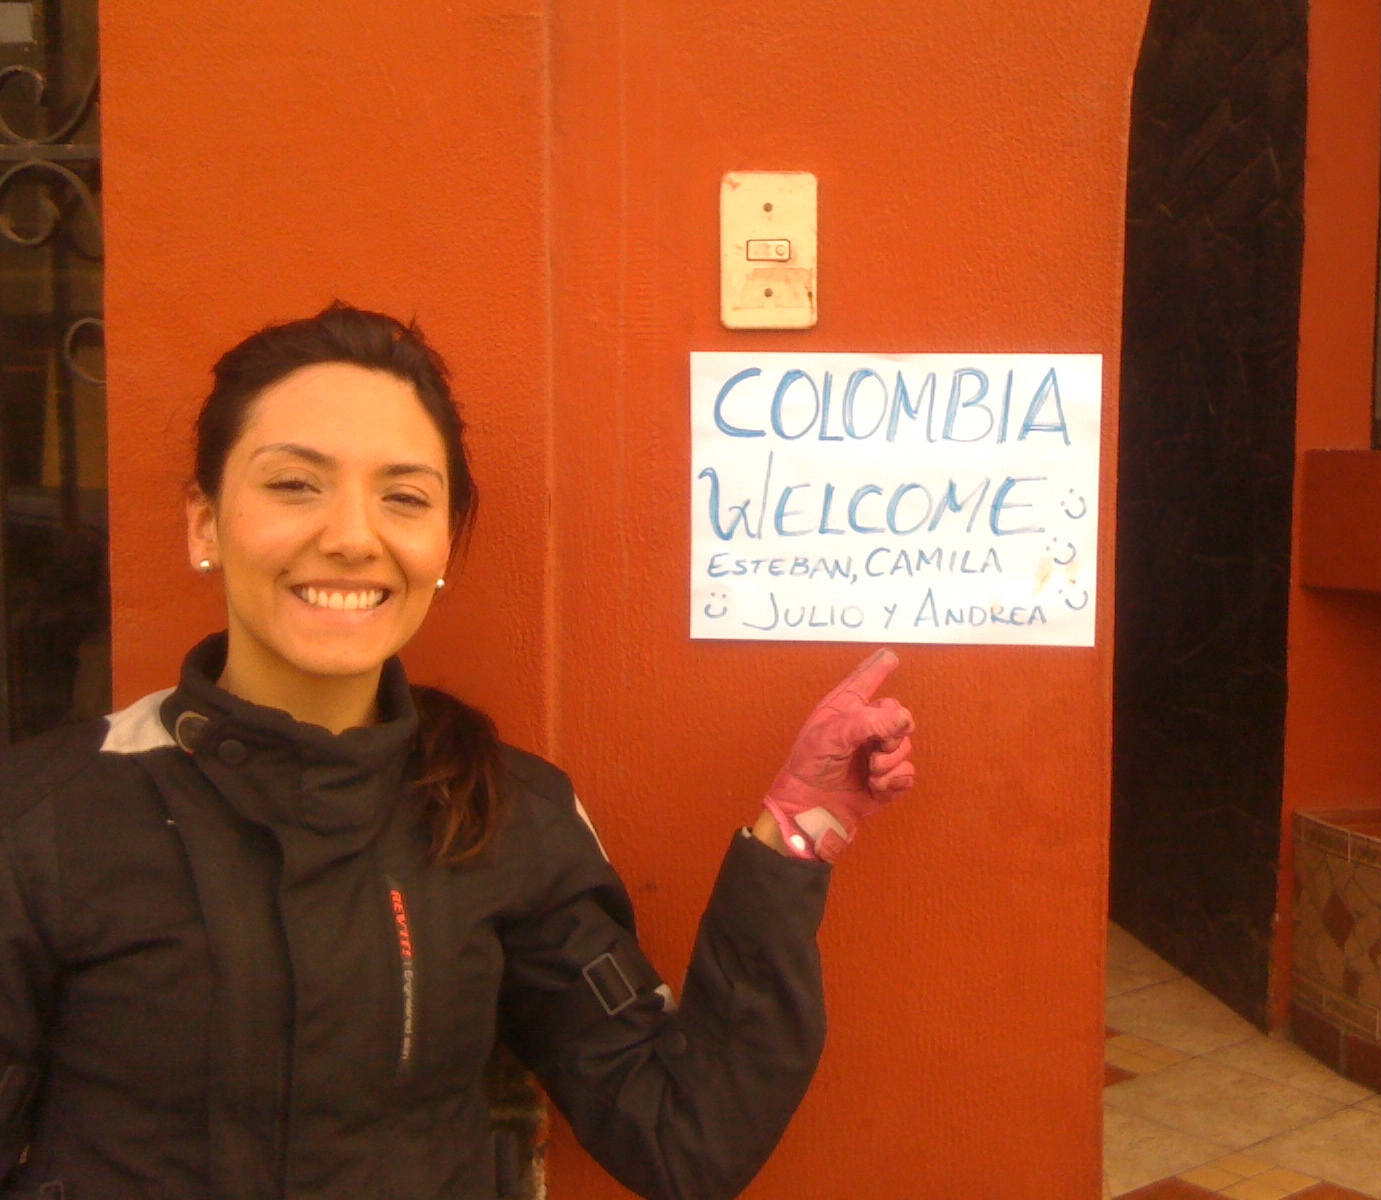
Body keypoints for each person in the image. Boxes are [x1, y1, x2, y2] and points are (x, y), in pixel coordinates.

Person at [0, 303, 916, 1200]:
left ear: (442, 546)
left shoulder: (507, 815)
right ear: (205, 522)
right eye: (295, 485)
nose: (351, 537)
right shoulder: (43, 818)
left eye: (403, 497)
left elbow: (682, 1139)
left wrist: (796, 834)